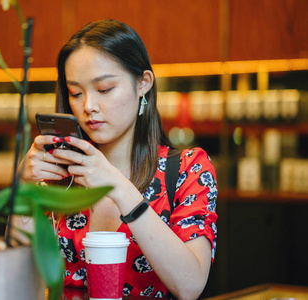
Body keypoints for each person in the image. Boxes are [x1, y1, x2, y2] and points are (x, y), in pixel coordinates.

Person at [21, 19, 218, 299]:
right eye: (76, 93)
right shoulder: (59, 176)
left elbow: (189, 286)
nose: (88, 106)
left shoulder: (188, 168)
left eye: (104, 90)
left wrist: (117, 185)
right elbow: (19, 279)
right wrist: (21, 190)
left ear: (143, 84)